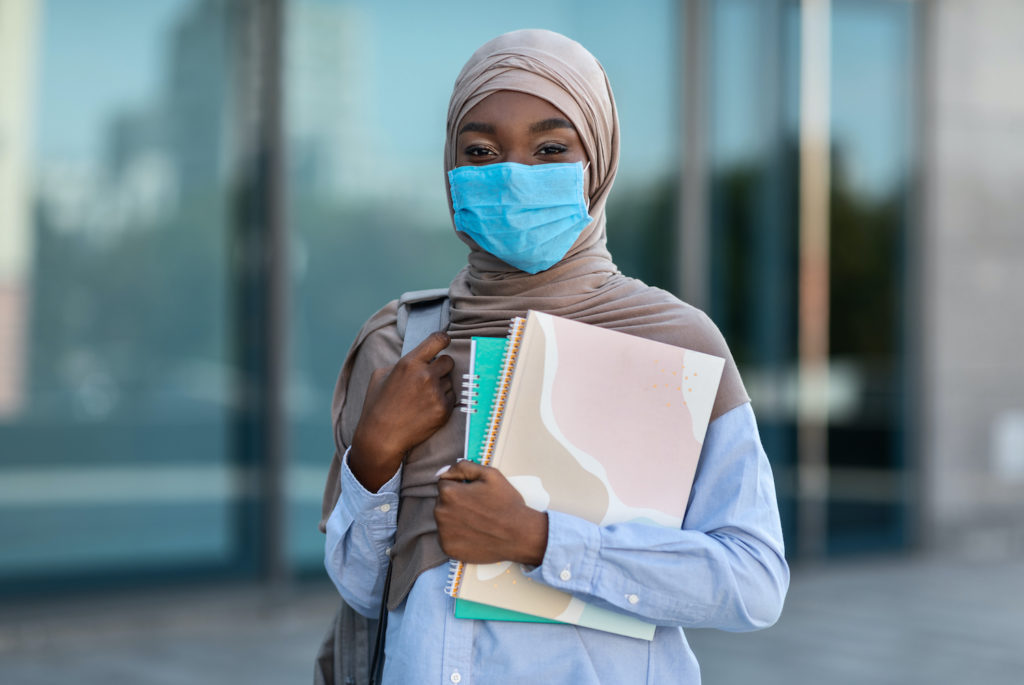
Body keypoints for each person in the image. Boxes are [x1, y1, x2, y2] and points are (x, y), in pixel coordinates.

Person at [320, 28, 788, 684]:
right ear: (449, 168)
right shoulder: (402, 345)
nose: (512, 177)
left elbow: (753, 579)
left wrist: (540, 539)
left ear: (597, 159)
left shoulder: (673, 348)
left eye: (549, 148)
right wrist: (371, 459)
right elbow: (367, 594)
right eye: (480, 151)